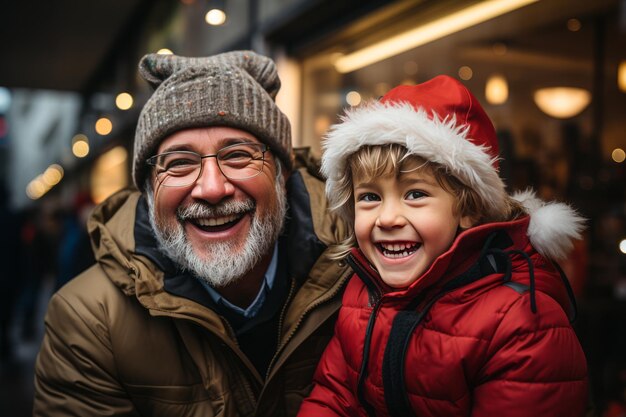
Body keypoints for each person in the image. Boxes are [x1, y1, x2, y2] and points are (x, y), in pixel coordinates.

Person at [33, 51, 350, 417]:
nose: (212, 189)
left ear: (282, 175)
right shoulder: (89, 319)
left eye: (238, 156)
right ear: (150, 191)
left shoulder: (365, 272)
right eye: (180, 163)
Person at [297, 75, 589, 417]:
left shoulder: (522, 325)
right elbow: (334, 394)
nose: (387, 218)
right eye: (370, 197)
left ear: (468, 208)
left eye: (416, 194)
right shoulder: (362, 293)